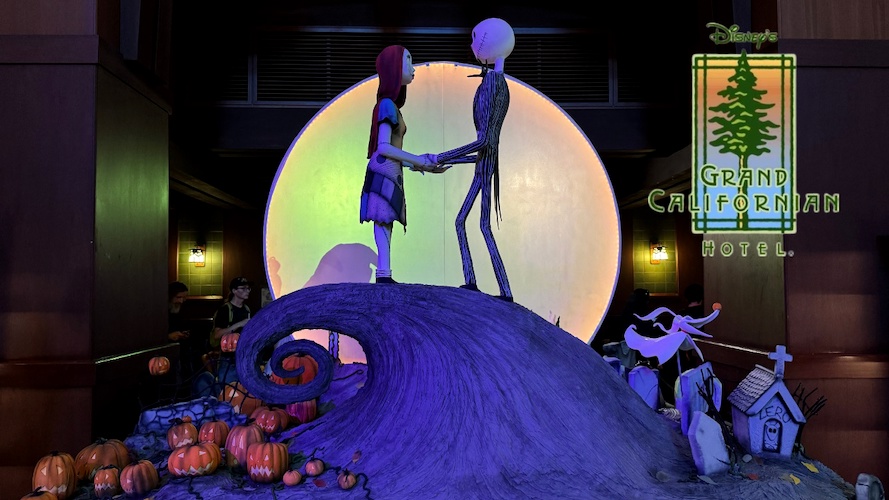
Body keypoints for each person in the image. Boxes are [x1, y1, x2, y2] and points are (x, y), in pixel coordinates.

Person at [433, 18, 516, 302]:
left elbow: (484, 141)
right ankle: (474, 281)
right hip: (485, 162)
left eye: (476, 38)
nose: (472, 45)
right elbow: (485, 146)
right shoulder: (497, 82)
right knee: (464, 222)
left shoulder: (494, 84)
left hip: (487, 161)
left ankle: (503, 290)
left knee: (481, 225)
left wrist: (440, 156)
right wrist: (447, 162)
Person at [359, 44, 444, 284]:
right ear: (393, 67)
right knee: (383, 218)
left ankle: (384, 272)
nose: (413, 67)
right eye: (408, 60)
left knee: (386, 219)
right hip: (384, 168)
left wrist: (418, 164)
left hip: (390, 168)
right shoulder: (387, 105)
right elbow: (384, 147)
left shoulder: (390, 106)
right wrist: (418, 160)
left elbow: (390, 149)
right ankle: (383, 273)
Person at [211, 277, 253, 385]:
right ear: (234, 291)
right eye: (243, 288)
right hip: (227, 359)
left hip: (243, 357)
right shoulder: (225, 309)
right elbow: (217, 334)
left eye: (248, 288)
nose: (247, 291)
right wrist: (239, 324)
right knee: (227, 388)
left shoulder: (247, 309)